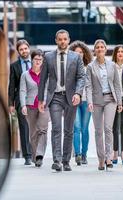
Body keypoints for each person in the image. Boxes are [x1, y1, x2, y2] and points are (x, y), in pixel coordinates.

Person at [38, 30, 85, 172]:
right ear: (56, 40)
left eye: (65, 39)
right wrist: (41, 99)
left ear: (69, 40)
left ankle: (66, 161)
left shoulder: (76, 57)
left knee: (69, 130)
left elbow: (81, 77)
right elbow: (43, 79)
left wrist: (78, 93)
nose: (62, 41)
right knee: (57, 129)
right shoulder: (48, 56)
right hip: (55, 97)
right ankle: (57, 161)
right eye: (60, 39)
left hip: (71, 97)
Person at [86, 39, 122, 170]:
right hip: (96, 101)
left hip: (110, 99)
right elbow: (88, 86)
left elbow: (117, 85)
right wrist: (89, 102)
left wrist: (119, 102)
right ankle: (101, 159)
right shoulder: (90, 67)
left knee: (108, 128)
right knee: (98, 131)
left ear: (106, 50)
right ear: (94, 51)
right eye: (97, 47)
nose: (100, 49)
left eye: (102, 47)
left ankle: (108, 158)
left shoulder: (112, 65)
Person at [20, 49, 49, 167]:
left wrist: (45, 101)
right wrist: (23, 105)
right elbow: (22, 91)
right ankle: (35, 156)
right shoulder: (25, 75)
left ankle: (39, 155)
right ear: (32, 60)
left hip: (44, 106)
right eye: (36, 59)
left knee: (43, 130)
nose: (38, 61)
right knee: (33, 133)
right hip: (30, 106)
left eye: (40, 59)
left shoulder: (46, 74)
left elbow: (48, 89)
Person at [69, 40, 93, 165]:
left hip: (86, 101)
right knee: (76, 127)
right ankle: (77, 154)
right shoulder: (69, 67)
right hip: (74, 102)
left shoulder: (89, 67)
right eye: (76, 52)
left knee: (84, 129)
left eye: (81, 52)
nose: (79, 54)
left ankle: (84, 154)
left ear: (85, 54)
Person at [8, 39, 32, 165]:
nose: (24, 51)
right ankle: (27, 156)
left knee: (36, 127)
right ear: (18, 52)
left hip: (35, 99)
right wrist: (11, 104)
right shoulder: (14, 66)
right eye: (21, 49)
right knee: (24, 127)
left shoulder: (37, 63)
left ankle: (36, 153)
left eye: (25, 48)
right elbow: (11, 86)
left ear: (29, 48)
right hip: (20, 100)